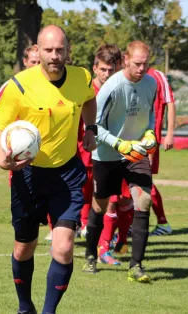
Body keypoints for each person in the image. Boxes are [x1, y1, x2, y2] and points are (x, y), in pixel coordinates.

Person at [0, 25, 97, 314]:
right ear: (37, 51)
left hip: (67, 174)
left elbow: (89, 99)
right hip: (28, 175)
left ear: (67, 51)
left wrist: (91, 128)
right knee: (25, 246)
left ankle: (48, 312)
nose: (54, 56)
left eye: (60, 50)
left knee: (63, 248)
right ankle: (25, 306)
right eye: (48, 50)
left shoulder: (82, 77)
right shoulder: (19, 85)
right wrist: (2, 158)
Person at [83, 40, 157, 283]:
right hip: (107, 154)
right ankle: (90, 255)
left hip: (135, 153)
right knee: (99, 206)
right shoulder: (111, 87)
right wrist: (118, 144)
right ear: (125, 60)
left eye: (145, 64)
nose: (141, 68)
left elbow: (150, 118)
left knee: (144, 201)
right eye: (137, 63)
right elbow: (93, 127)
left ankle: (136, 266)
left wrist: (150, 134)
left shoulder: (151, 83)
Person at [78, 44, 120, 245]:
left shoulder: (119, 88)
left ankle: (106, 244)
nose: (107, 74)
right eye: (103, 69)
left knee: (113, 200)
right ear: (94, 68)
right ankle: (87, 230)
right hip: (86, 152)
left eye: (111, 70)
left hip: (113, 155)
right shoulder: (86, 90)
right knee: (86, 196)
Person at [146, 67, 176, 236]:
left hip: (150, 140)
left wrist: (169, 133)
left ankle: (163, 222)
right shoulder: (124, 75)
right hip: (130, 139)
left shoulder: (157, 75)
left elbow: (170, 102)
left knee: (144, 180)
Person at [0, 46, 39, 120]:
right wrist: (3, 131)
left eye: (39, 62)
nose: (36, 65)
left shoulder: (49, 86)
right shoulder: (13, 84)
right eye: (33, 62)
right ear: (25, 61)